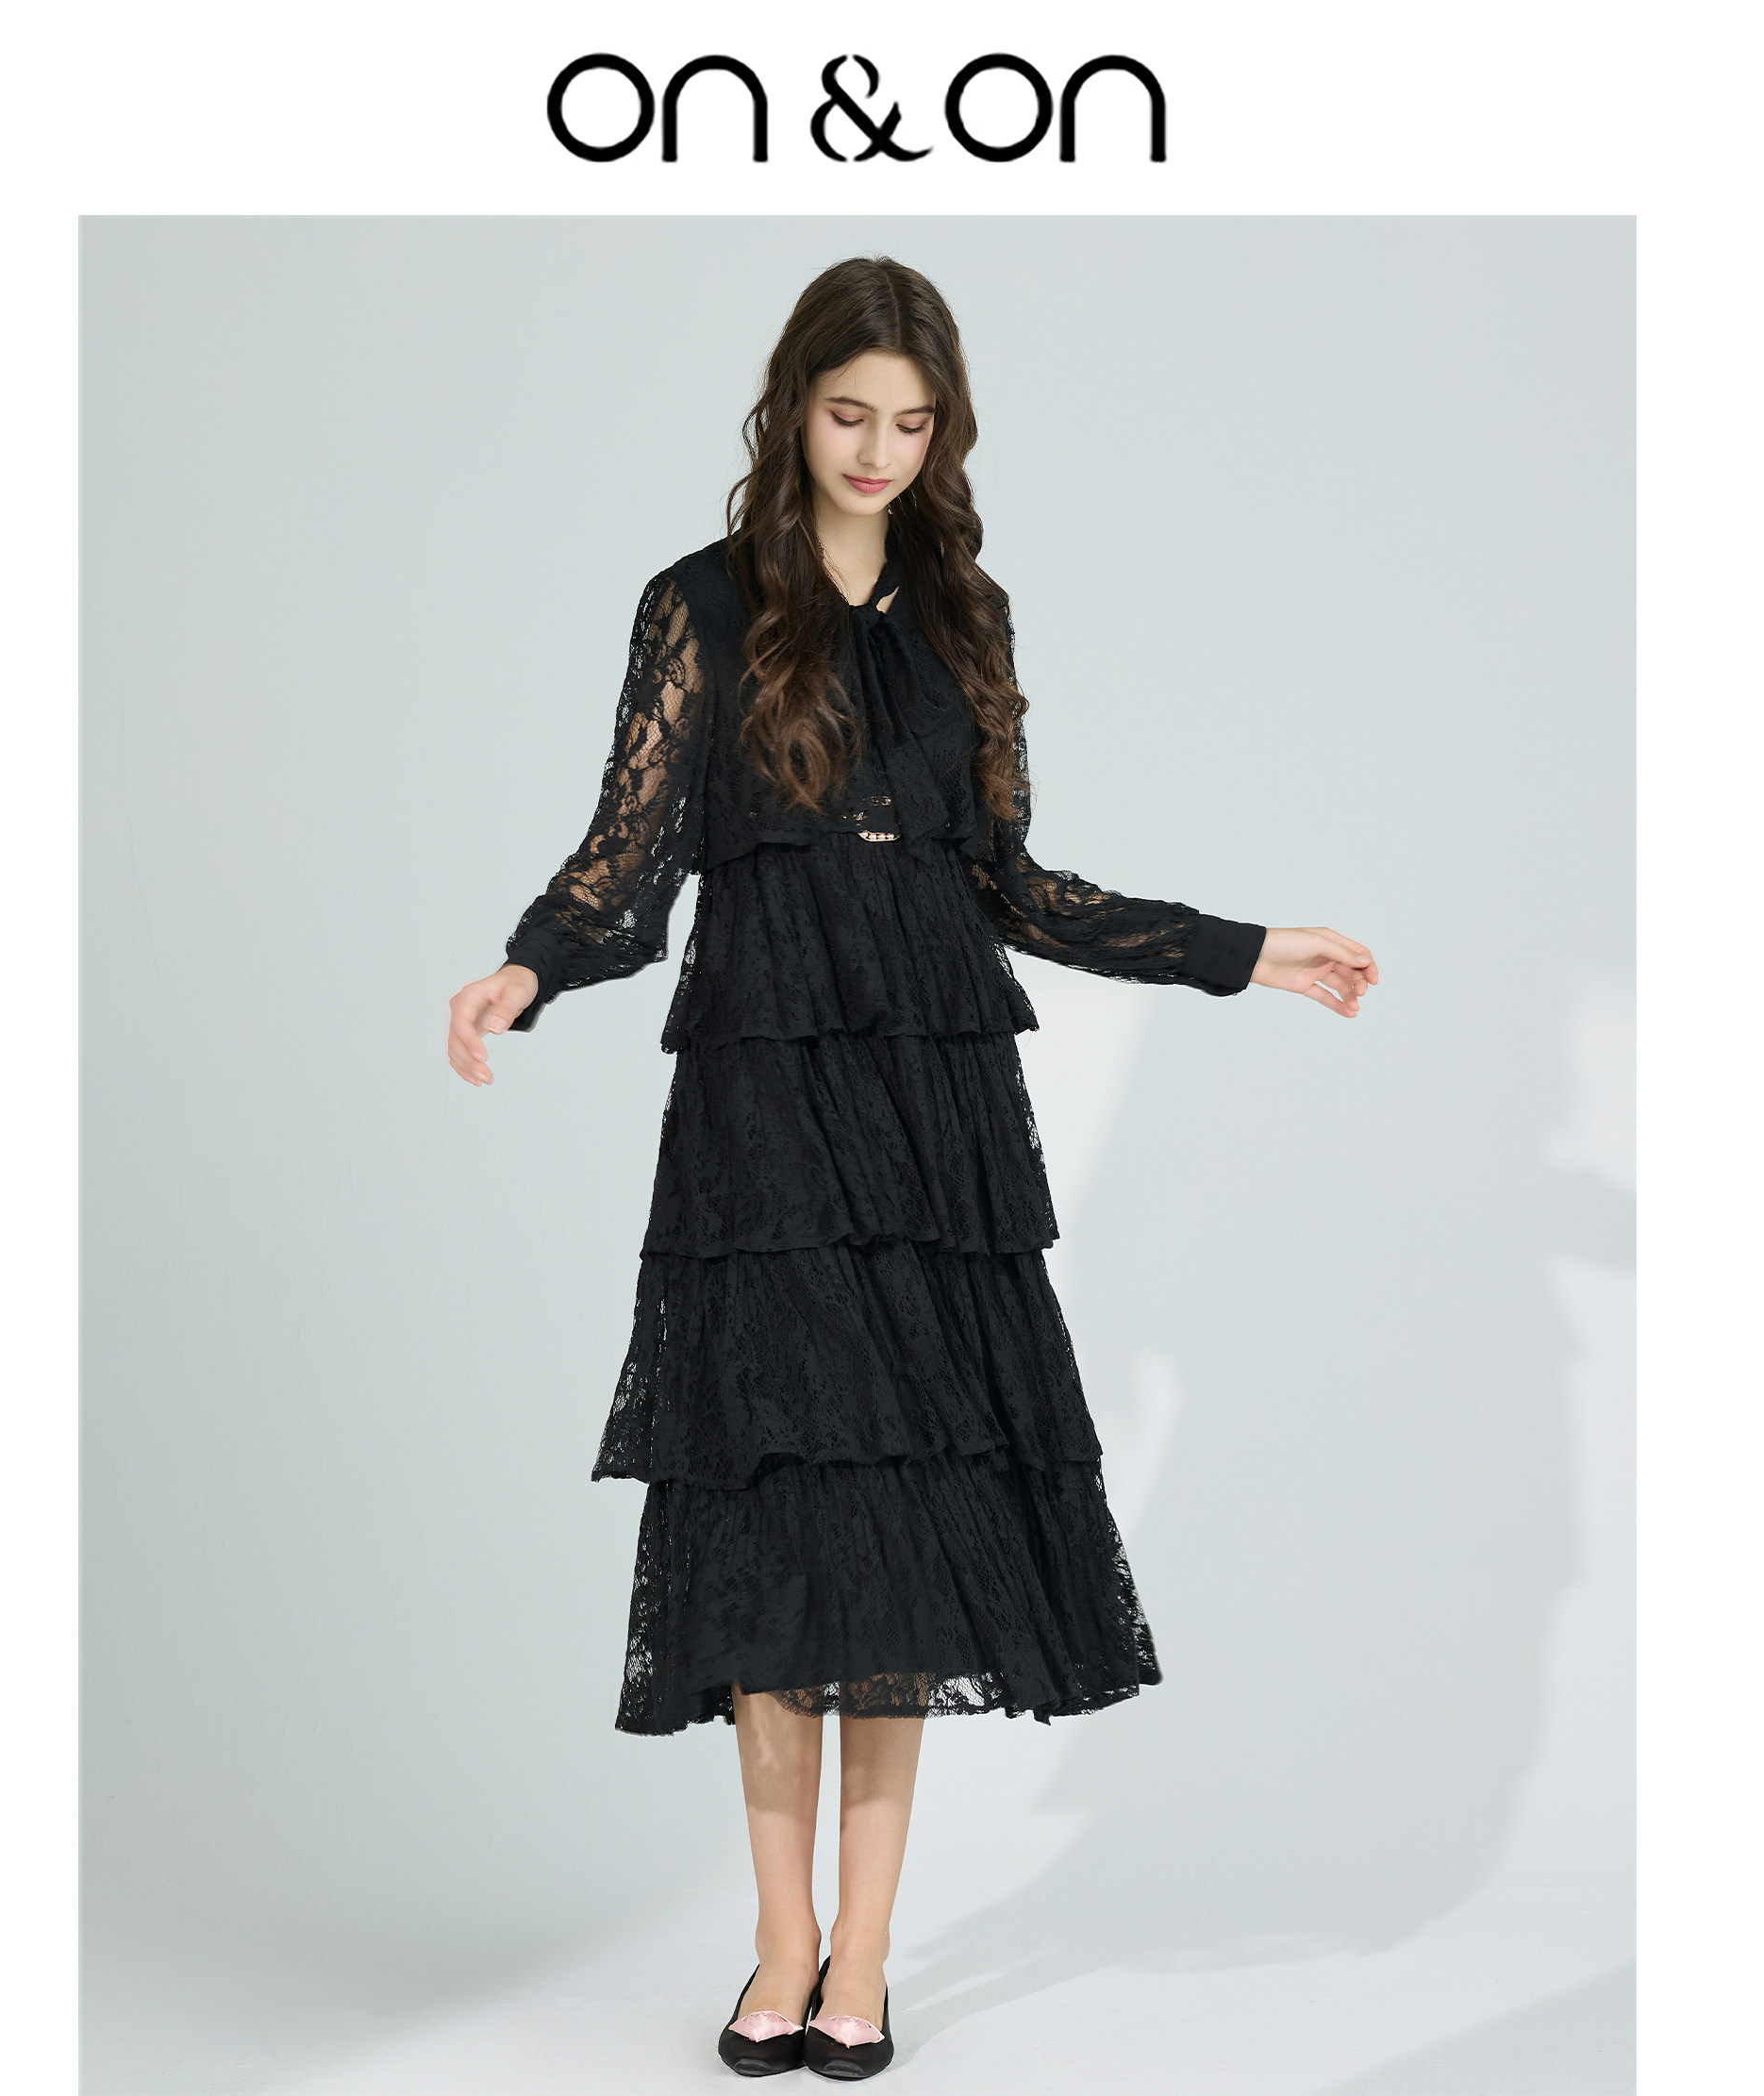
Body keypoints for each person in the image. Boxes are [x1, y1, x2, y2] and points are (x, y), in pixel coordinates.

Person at [445, 256, 1376, 2081]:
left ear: (944, 434)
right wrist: (527, 967)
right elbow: (629, 855)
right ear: (790, 407)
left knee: (905, 1531)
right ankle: (778, 1939)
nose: (877, 449)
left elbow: (1009, 882)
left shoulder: (966, 615)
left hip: (936, 1122)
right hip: (764, 1112)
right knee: (773, 1519)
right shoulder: (702, 602)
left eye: (912, 421)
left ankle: (861, 1950)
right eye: (847, 413)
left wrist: (1244, 949)